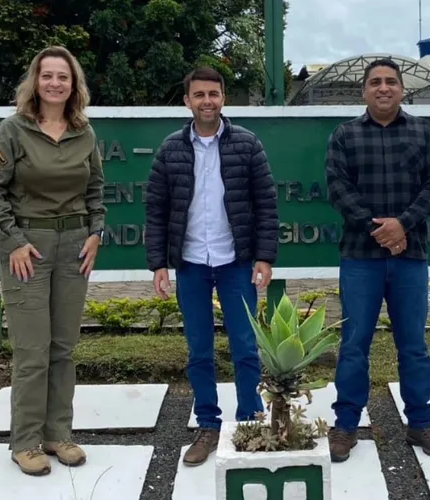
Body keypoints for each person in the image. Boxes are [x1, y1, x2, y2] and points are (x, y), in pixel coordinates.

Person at [0, 45, 106, 476]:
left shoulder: (83, 133)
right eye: (48, 75)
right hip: (26, 248)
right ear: (36, 81)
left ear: (74, 85)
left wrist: (96, 233)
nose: (55, 83)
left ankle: (58, 434)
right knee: (32, 350)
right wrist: (12, 240)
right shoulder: (12, 131)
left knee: (63, 349)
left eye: (63, 77)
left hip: (74, 246)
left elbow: (96, 191)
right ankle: (26, 441)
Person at [144, 66, 279, 467]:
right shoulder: (170, 149)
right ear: (187, 101)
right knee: (199, 350)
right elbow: (156, 209)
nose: (207, 101)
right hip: (190, 265)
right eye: (199, 94)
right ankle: (207, 425)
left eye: (214, 94)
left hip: (235, 262)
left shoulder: (248, 145)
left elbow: (266, 204)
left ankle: (250, 422)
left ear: (224, 98)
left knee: (245, 348)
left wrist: (265, 256)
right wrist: (158, 264)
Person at [324, 58, 430, 463]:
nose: (383, 88)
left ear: (401, 89)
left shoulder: (424, 131)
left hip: (410, 257)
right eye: (375, 82)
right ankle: (345, 425)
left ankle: (420, 423)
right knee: (354, 344)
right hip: (360, 257)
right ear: (364, 91)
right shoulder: (344, 135)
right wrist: (380, 230)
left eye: (391, 82)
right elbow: (338, 189)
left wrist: (403, 225)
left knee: (413, 345)